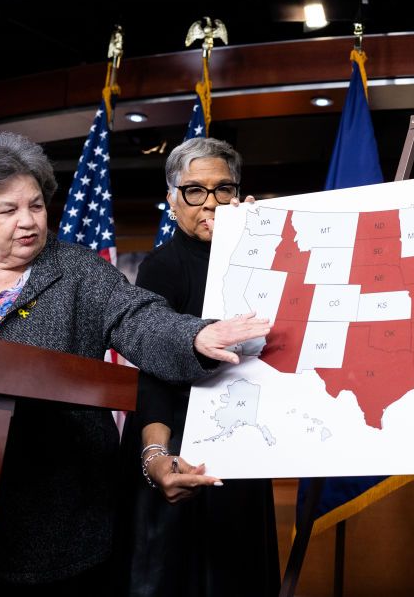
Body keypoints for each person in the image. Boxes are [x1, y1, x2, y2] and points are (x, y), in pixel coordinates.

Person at [0, 132, 272, 595]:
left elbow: (140, 319)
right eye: (8, 210)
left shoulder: (81, 271)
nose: (28, 222)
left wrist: (196, 335)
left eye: (36, 206)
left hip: (55, 513)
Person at [116, 137, 280, 597]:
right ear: (172, 199)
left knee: (238, 574)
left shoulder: (257, 253)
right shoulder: (162, 267)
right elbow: (154, 370)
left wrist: (259, 237)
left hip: (242, 434)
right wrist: (156, 456)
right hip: (178, 436)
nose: (210, 202)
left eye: (223, 189)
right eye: (194, 190)